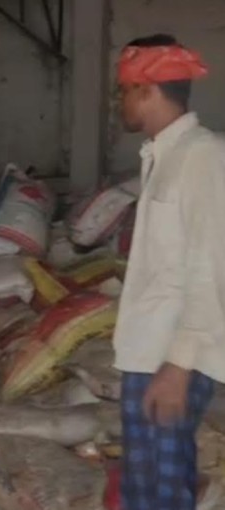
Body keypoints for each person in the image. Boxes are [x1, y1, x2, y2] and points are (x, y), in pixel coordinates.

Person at [113, 34, 225, 510]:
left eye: (123, 90)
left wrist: (178, 365)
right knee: (149, 482)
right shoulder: (165, 155)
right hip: (149, 351)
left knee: (158, 493)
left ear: (146, 90)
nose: (120, 102)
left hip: (173, 356)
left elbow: (211, 265)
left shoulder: (204, 158)